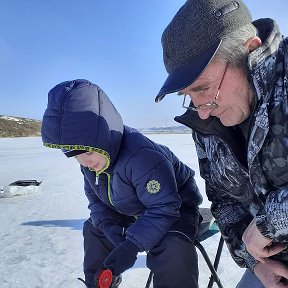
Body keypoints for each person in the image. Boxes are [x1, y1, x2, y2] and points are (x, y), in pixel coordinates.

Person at [155, 0, 288, 287]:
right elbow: (223, 200)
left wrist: (271, 221)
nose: (201, 110)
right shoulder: (206, 123)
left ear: (249, 49)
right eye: (188, 95)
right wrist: (255, 263)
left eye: (203, 88)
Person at [41, 79, 203, 288]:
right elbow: (97, 202)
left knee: (173, 246)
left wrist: (132, 244)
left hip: (175, 207)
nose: (86, 162)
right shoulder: (91, 164)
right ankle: (100, 283)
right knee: (94, 229)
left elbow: (164, 207)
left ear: (103, 138)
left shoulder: (142, 156)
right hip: (134, 209)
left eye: (89, 152)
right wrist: (109, 226)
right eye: (77, 156)